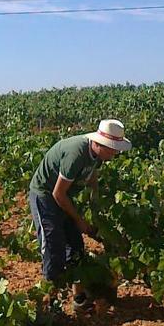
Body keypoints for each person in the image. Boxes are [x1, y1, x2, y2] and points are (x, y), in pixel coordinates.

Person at [28, 119, 131, 313]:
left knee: (76, 247)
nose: (115, 153)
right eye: (112, 149)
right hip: (45, 194)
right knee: (53, 246)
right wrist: (79, 220)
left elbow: (92, 176)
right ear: (99, 144)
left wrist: (94, 203)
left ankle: (79, 299)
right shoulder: (76, 154)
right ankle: (50, 305)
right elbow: (57, 194)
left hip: (65, 196)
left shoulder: (98, 155)